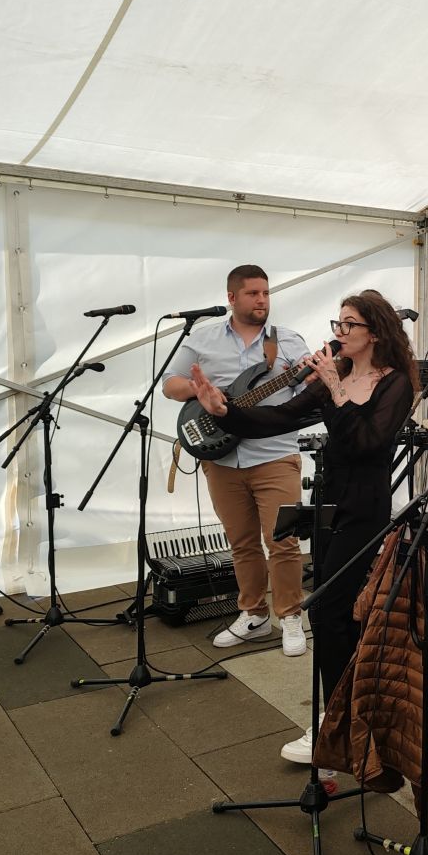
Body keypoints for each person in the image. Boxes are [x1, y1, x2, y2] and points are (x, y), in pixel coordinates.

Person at [191, 290, 417, 763]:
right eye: (338, 323)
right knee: (336, 613)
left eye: (349, 324)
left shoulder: (395, 383)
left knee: (329, 609)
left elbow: (366, 443)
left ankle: (336, 723)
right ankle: (349, 714)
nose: (339, 332)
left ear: (374, 333)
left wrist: (334, 386)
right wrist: (226, 412)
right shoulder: (340, 374)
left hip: (364, 507)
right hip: (330, 501)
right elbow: (281, 416)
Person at [163, 265, 311, 657]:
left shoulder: (288, 341)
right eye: (253, 293)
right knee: (242, 543)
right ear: (232, 297)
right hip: (223, 459)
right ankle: (254, 614)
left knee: (283, 542)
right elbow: (169, 384)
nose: (262, 300)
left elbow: (311, 387)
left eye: (266, 292)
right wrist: (201, 391)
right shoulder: (202, 338)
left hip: (275, 454)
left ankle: (290, 616)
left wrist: (315, 376)